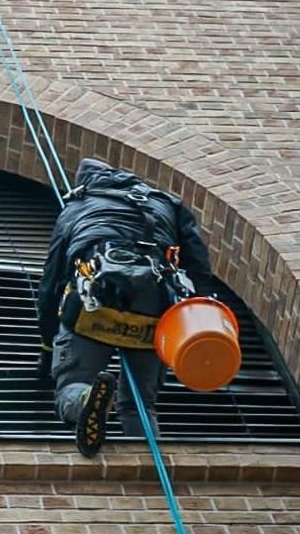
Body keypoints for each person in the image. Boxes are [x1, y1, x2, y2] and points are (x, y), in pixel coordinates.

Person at [34, 158, 215, 457]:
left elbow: (52, 279)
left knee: (74, 381)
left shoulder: (78, 206)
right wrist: (201, 312)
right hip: (155, 303)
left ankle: (85, 400)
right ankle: (147, 460)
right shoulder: (165, 203)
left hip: (95, 297)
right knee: (140, 404)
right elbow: (199, 266)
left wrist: (46, 344)